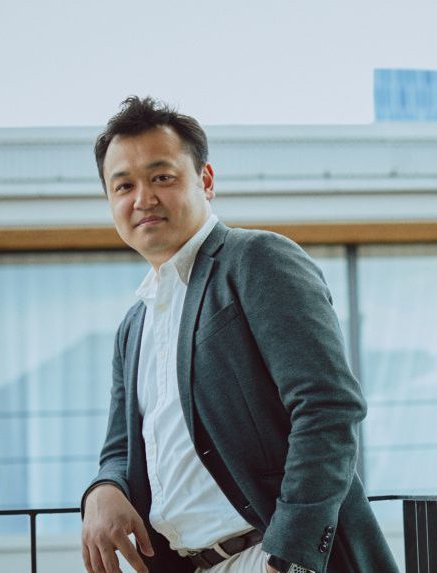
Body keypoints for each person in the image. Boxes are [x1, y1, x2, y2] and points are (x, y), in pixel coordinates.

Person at [80, 96, 398, 573]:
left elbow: (328, 406)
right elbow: (120, 450)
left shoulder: (256, 260)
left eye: (161, 177)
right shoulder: (134, 324)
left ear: (205, 181)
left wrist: (288, 557)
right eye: (123, 185)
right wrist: (102, 490)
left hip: (267, 555)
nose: (143, 198)